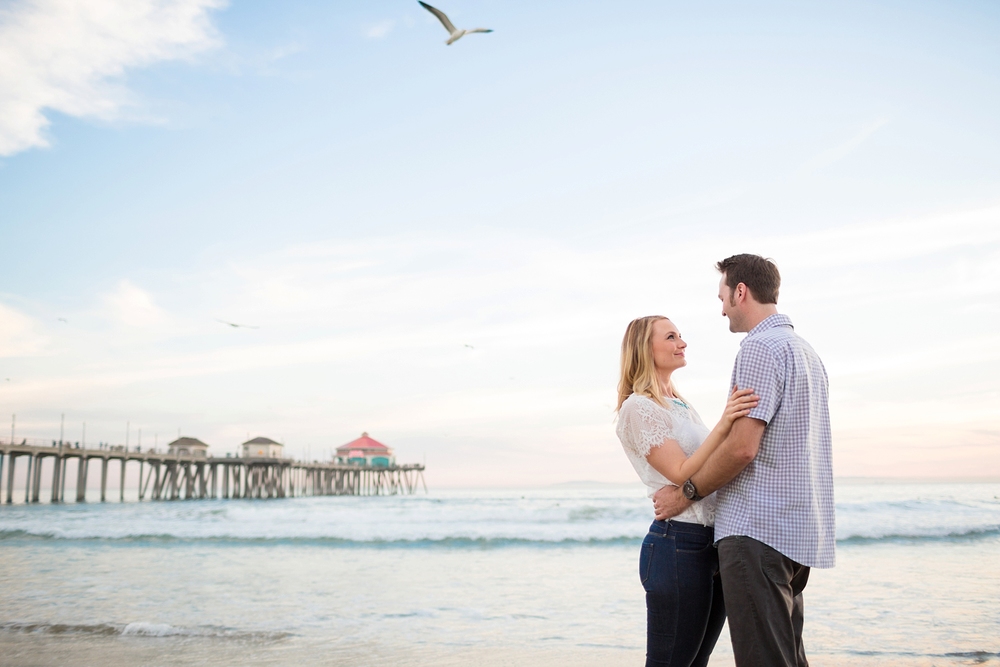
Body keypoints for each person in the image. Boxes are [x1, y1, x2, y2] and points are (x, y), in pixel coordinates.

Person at [653, 254, 836, 667]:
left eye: (722, 297)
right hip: (797, 532)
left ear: (741, 291)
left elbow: (742, 448)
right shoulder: (806, 352)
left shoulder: (758, 348)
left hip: (757, 532)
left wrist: (687, 493)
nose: (721, 309)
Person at [616, 315, 759, 667]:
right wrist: (726, 422)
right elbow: (681, 472)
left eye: (680, 335)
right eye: (670, 336)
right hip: (677, 545)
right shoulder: (638, 407)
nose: (682, 342)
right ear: (644, 349)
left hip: (711, 544)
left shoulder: (680, 404)